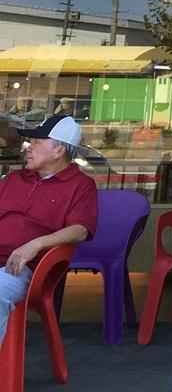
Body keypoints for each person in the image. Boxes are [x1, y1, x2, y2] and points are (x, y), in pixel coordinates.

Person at [0, 114, 98, 343]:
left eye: (37, 142)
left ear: (59, 151)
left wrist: (36, 244)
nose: (28, 148)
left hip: (22, 269)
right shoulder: (15, 178)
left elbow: (80, 229)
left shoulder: (81, 185)